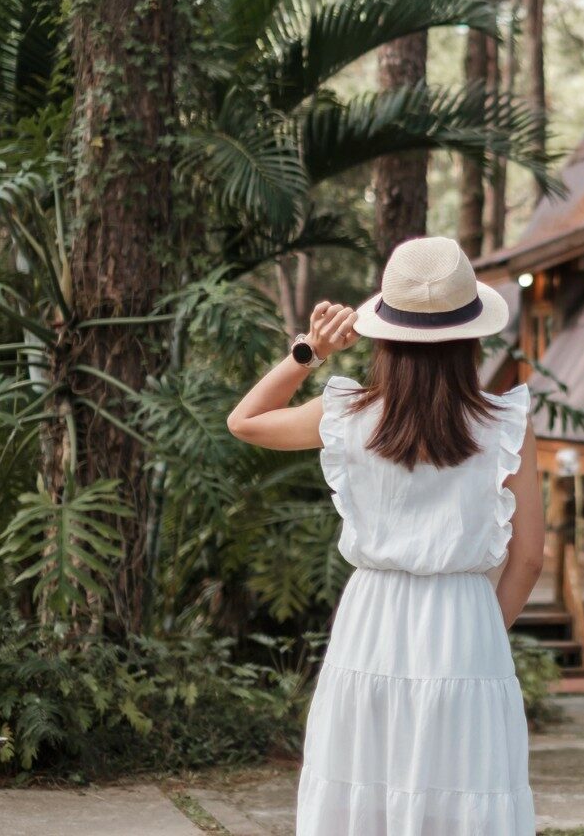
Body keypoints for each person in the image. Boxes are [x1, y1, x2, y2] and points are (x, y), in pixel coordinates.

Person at [227, 236, 544, 835]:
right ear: (470, 333)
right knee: (466, 790)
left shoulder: (348, 416)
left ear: (386, 332)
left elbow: (245, 422)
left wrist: (309, 352)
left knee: (363, 785)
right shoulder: (506, 426)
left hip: (371, 619)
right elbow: (529, 558)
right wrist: (479, 630)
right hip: (466, 620)